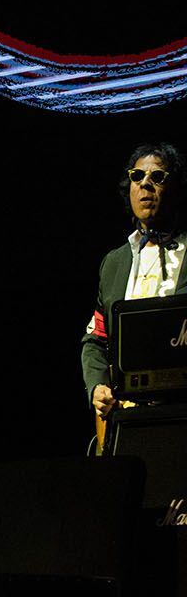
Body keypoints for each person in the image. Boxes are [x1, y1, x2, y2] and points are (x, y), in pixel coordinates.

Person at [82, 143, 183, 428]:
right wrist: (97, 387)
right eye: (137, 176)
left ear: (175, 188)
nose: (145, 185)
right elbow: (95, 340)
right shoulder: (114, 262)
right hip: (126, 419)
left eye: (158, 177)